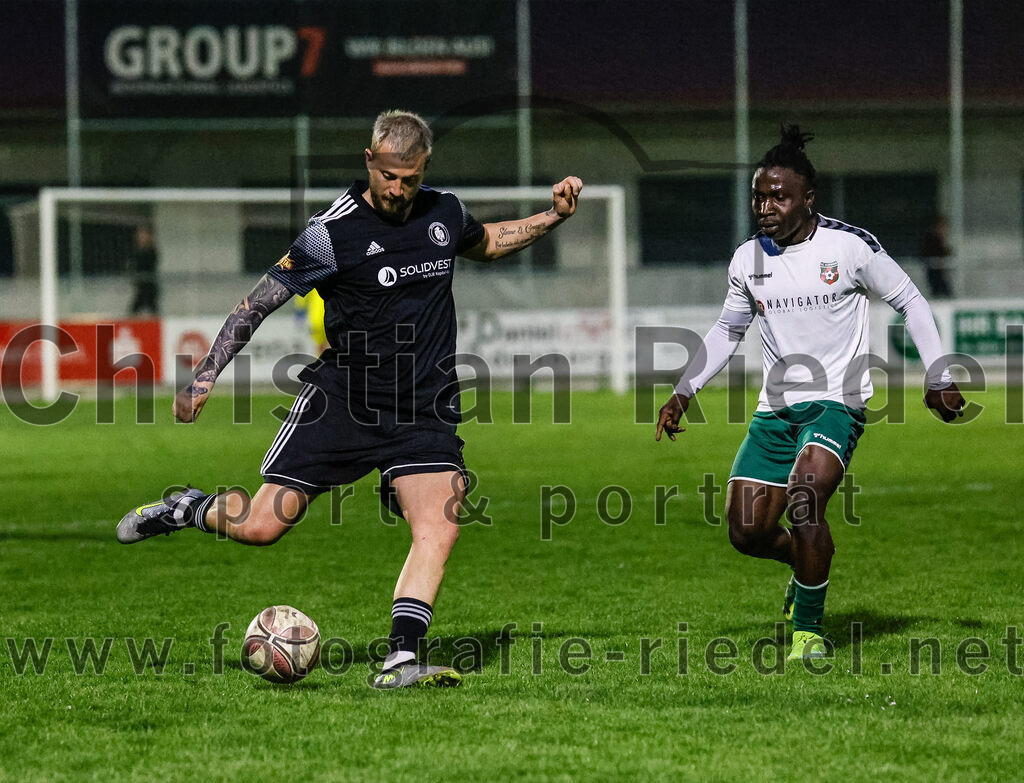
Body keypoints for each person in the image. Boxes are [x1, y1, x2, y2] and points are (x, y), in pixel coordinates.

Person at [117, 110, 584, 688]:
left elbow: (487, 241)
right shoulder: (330, 232)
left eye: (410, 178)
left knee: (440, 522)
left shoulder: (444, 212)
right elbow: (257, 303)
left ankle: (400, 661)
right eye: (388, 175)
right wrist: (205, 376)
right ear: (369, 161)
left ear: (424, 169)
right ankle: (187, 507)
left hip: (422, 406)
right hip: (344, 400)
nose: (397, 189)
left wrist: (552, 217)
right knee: (263, 526)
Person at [655, 126, 964, 661]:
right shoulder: (747, 259)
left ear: (807, 199)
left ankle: (808, 632)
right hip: (775, 411)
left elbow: (911, 300)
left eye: (780, 195)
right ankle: (804, 569)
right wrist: (684, 391)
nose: (767, 205)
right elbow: (728, 331)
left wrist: (938, 375)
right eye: (759, 195)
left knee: (805, 499)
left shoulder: (850, 247)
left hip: (836, 402)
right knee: (746, 533)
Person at [129, 223, 160, 315]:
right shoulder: (136, 250)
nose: (140, 237)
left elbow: (148, 265)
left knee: (150, 308)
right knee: (135, 310)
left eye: (143, 234)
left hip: (148, 285)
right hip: (140, 286)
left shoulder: (151, 250)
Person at [921, 215, 953, 298]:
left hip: (940, 276)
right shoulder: (932, 241)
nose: (945, 230)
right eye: (943, 227)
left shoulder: (940, 241)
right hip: (935, 275)